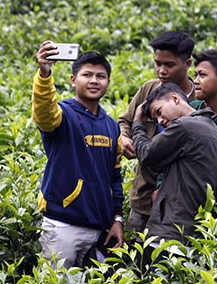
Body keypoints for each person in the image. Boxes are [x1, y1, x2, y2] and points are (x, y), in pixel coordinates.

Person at [32, 41, 124, 268]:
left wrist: (117, 220)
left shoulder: (112, 126)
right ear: (74, 80)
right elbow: (44, 112)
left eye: (101, 76)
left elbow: (115, 177)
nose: (94, 81)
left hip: (99, 228)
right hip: (63, 225)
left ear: (108, 82)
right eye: (87, 75)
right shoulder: (63, 114)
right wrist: (44, 73)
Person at [118, 31, 196, 234]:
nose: (161, 71)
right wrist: (124, 137)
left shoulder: (199, 98)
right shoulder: (148, 89)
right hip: (143, 197)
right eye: (157, 63)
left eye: (169, 65)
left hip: (180, 201)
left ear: (187, 64)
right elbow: (124, 121)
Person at [131, 83, 217, 244]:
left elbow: (146, 154)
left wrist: (137, 123)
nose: (160, 121)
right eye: (156, 119)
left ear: (174, 98)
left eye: (159, 112)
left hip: (172, 228)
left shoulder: (185, 127)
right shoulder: (212, 128)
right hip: (193, 225)